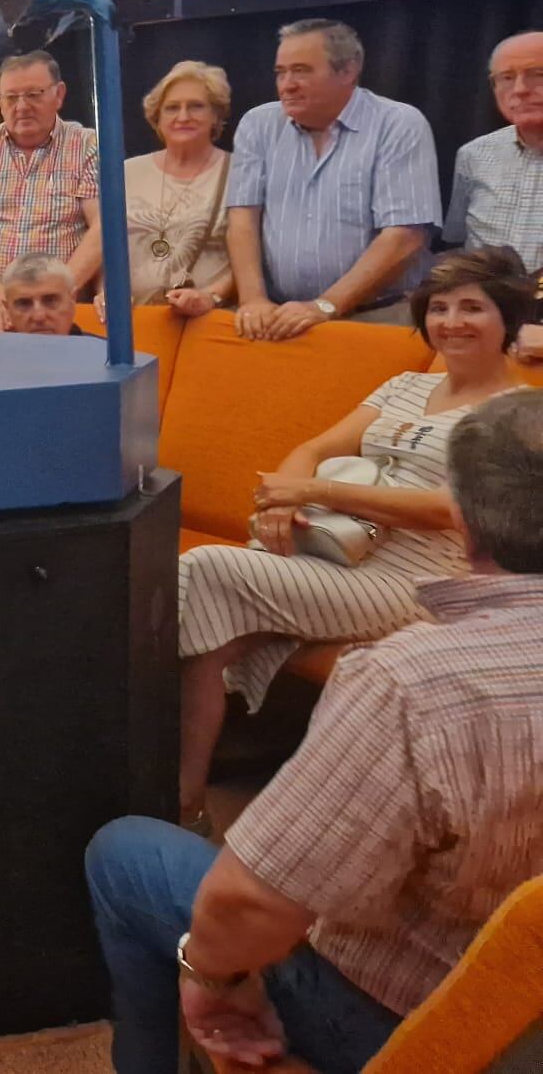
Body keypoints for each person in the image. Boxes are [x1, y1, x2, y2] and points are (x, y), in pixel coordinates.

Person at [86, 386, 543, 1074]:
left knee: (123, 853)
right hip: (521, 1020)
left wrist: (213, 983)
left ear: (464, 520)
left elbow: (250, 905)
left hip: (401, 1016)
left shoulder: (407, 683)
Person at [174, 247, 531, 825]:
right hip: (335, 554)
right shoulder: (404, 387)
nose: (452, 322)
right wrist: (279, 503)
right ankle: (188, 803)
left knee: (204, 569)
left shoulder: (516, 414)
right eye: (439, 308)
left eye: (473, 308)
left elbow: (452, 511)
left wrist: (322, 495)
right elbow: (316, 449)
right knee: (208, 643)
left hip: (414, 582)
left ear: (507, 319)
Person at [228, 18, 442, 340]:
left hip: (380, 317)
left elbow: (404, 236)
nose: (287, 84)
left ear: (348, 70)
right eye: (281, 72)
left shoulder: (398, 124)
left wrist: (325, 306)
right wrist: (252, 299)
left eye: (301, 71)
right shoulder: (258, 125)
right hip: (279, 316)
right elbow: (242, 219)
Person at [0, 51, 102, 328]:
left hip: (61, 312)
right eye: (12, 97)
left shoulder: (88, 146)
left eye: (34, 94)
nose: (22, 106)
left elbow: (103, 227)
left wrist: (60, 290)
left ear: (59, 94)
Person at [445, 30, 543, 361]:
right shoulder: (474, 155)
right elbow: (457, 243)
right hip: (481, 330)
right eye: (506, 78)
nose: (520, 89)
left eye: (537, 74)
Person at [122, 61, 234, 313]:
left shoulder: (239, 172)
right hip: (134, 322)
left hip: (205, 322)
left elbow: (253, 259)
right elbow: (104, 250)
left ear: (216, 115)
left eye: (196, 106)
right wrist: (104, 292)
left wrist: (210, 297)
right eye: (172, 108)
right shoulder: (125, 172)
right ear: (157, 117)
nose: (183, 117)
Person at [3, 253, 90, 337]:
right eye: (24, 304)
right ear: (8, 309)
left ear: (72, 300)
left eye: (50, 300)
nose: (38, 316)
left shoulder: (99, 349)